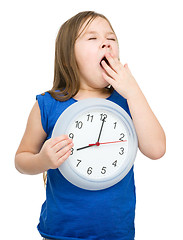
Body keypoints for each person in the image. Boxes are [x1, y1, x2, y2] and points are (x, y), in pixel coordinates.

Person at [15, 11, 166, 240]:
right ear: (67, 58)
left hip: (116, 234)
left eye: (111, 38)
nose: (105, 42)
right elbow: (21, 159)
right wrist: (42, 161)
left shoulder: (128, 101)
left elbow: (156, 150)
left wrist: (134, 91)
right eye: (92, 38)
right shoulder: (47, 105)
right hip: (60, 233)